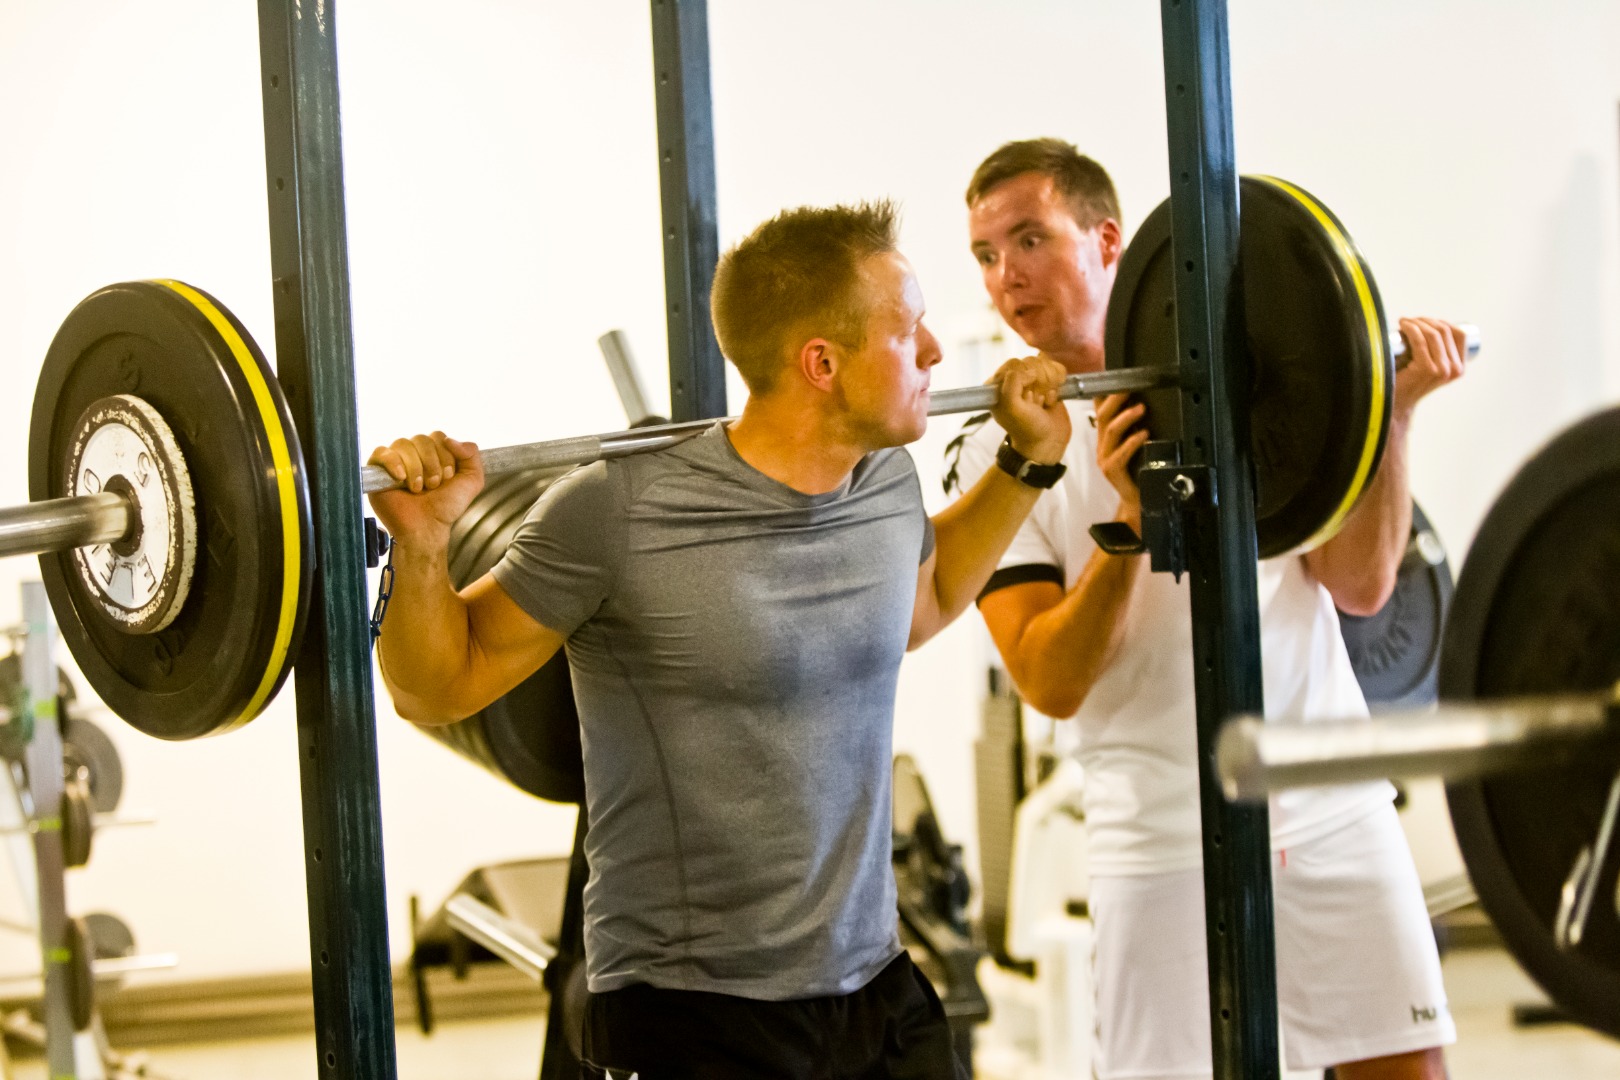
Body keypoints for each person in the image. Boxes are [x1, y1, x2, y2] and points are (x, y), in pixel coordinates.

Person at [366, 200, 1071, 1079]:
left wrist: (1027, 463)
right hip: (689, 1009)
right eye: (909, 332)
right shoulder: (614, 510)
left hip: (871, 983)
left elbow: (920, 604)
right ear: (822, 363)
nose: (935, 352)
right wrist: (423, 545)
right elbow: (435, 687)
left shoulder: (884, 479)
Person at [951, 138, 1464, 1080]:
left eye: (1029, 240)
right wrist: (1132, 521)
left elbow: (1361, 587)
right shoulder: (993, 451)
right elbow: (1049, 681)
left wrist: (1390, 414)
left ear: (1110, 241)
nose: (1005, 276)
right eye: (985, 255)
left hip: (1327, 808)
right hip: (1159, 841)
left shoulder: (1246, 371)